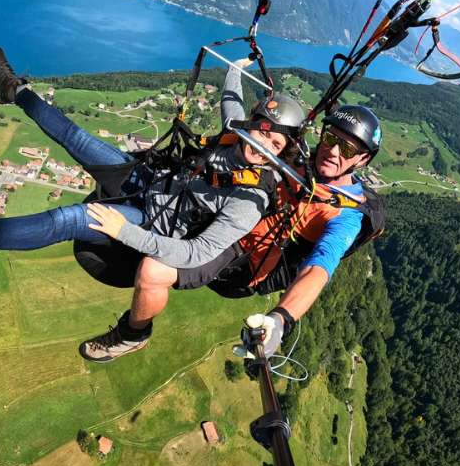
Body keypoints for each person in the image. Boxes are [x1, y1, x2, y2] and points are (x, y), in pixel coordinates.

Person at [0, 47, 305, 360]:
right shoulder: (237, 134)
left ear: (283, 151)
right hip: (151, 179)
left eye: (274, 141)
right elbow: (229, 102)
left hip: (152, 222)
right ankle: (14, 91)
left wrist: (125, 231)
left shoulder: (250, 199)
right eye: (262, 130)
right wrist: (234, 70)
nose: (262, 143)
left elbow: (195, 254)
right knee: (77, 137)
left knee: (71, 218)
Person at [77, 104, 384, 362]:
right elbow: (248, 125)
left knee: (152, 272)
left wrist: (280, 319)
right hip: (227, 216)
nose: (332, 150)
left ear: (363, 159)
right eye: (330, 138)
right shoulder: (299, 159)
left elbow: (318, 269)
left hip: (243, 257)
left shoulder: (347, 215)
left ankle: (132, 334)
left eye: (347, 148)